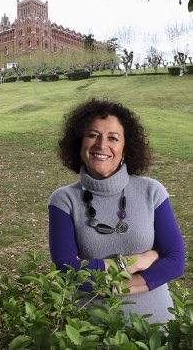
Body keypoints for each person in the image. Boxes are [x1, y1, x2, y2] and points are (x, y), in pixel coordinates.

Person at [48, 98, 185, 323]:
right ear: (79, 143)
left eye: (113, 138)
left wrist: (112, 287)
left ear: (125, 147)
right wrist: (134, 262)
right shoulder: (63, 200)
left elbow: (175, 261)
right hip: (89, 330)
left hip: (157, 329)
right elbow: (67, 268)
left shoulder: (152, 191)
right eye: (93, 135)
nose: (102, 145)